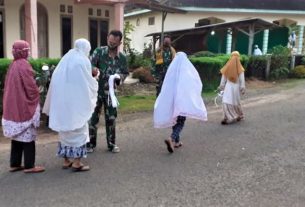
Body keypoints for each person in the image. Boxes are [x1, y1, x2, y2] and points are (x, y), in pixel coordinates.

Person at [43, 39, 98, 172]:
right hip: (77, 101)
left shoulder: (66, 59)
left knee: (65, 130)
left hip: (64, 101)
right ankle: (77, 162)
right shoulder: (83, 60)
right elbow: (86, 80)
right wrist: (95, 78)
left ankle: (66, 160)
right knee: (80, 130)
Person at [2, 40, 45, 173]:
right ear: (23, 51)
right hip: (23, 106)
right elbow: (30, 87)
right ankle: (29, 165)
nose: (29, 52)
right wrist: (38, 91)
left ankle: (15, 163)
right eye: (28, 50)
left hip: (13, 105)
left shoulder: (13, 65)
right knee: (28, 134)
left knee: (17, 136)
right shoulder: (24, 65)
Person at [154, 52, 208, 153]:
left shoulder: (171, 72)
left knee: (175, 120)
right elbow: (194, 84)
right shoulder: (187, 72)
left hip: (172, 101)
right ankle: (171, 138)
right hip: (182, 102)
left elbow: (165, 86)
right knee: (181, 122)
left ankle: (176, 142)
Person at [86, 30, 129, 153]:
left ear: (119, 43)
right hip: (96, 92)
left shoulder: (122, 58)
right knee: (93, 118)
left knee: (111, 118)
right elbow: (90, 65)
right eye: (110, 41)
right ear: (107, 39)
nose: (111, 44)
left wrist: (119, 77)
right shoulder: (99, 52)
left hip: (111, 93)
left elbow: (125, 72)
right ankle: (90, 144)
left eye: (114, 43)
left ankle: (111, 144)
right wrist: (94, 70)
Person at [218, 51, 246, 125]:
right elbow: (242, 80)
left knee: (226, 100)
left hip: (228, 87)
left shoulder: (227, 67)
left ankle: (229, 117)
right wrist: (242, 88)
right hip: (236, 87)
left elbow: (223, 78)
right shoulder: (240, 68)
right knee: (235, 102)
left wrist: (221, 86)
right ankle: (236, 115)